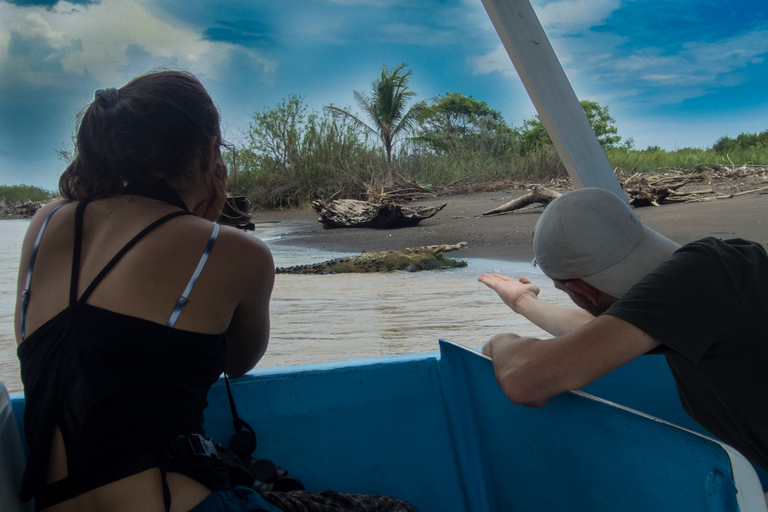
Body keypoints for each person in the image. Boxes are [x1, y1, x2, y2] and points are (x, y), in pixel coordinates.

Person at [15, 70, 417, 512]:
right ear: (209, 152)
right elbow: (238, 361)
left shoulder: (44, 223)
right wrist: (214, 226)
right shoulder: (232, 251)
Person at [478, 187, 768, 473]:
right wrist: (523, 301)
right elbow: (599, 336)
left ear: (584, 290)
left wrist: (501, 342)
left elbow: (525, 382)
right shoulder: (716, 278)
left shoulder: (699, 278)